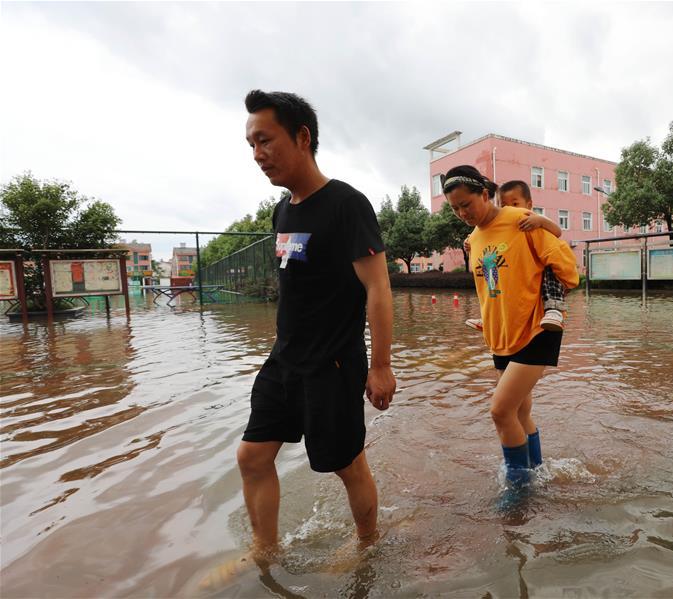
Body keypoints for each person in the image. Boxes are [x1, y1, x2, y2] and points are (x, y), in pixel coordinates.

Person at [202, 90, 396, 588]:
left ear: (302, 137)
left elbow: (378, 288)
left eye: (265, 140)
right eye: (250, 144)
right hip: (284, 360)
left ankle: (367, 543)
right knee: (252, 456)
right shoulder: (282, 212)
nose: (257, 154)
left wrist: (380, 366)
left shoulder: (346, 205)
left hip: (333, 363)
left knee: (347, 464)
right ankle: (264, 550)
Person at [443, 165, 579, 499]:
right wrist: (488, 321)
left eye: (466, 204)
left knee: (500, 410)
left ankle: (519, 490)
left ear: (485, 195)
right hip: (502, 334)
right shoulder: (473, 239)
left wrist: (549, 300)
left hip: (538, 328)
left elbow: (565, 266)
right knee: (520, 411)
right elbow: (489, 288)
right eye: (455, 208)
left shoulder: (521, 220)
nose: (462, 213)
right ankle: (538, 473)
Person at [463, 180, 567, 333]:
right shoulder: (502, 228)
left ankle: (553, 309)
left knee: (549, 271)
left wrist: (540, 221)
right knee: (498, 279)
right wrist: (470, 243)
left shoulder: (531, 219)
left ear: (529, 204)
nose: (509, 209)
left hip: (541, 267)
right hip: (516, 276)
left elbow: (557, 231)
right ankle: (490, 319)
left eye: (515, 204)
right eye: (504, 205)